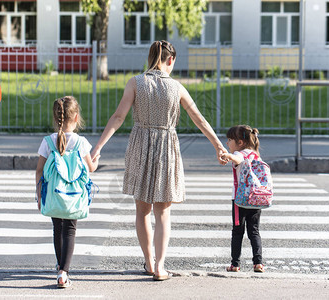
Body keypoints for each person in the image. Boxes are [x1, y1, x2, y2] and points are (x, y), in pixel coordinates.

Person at [90, 40, 227, 281]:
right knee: (163, 211)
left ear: (151, 56)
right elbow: (200, 120)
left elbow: (119, 116)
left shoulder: (136, 83)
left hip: (141, 144)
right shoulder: (177, 88)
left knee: (142, 210)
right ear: (170, 60)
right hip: (166, 147)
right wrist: (219, 146)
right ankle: (161, 266)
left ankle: (149, 262)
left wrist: (98, 146)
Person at [35, 96, 99, 288]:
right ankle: (64, 272)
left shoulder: (47, 142)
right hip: (74, 196)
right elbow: (90, 168)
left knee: (57, 228)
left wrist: (39, 194)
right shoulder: (81, 143)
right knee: (70, 230)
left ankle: (59, 265)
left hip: (54, 194)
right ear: (77, 117)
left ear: (55, 119)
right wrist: (96, 160)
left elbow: (39, 170)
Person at [221, 125, 265, 273]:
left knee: (238, 232)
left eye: (230, 140)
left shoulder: (241, 154)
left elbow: (237, 158)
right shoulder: (255, 154)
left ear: (240, 142)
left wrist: (228, 156)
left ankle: (235, 264)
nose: (228, 143)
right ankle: (258, 263)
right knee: (254, 231)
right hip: (256, 198)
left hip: (240, 200)